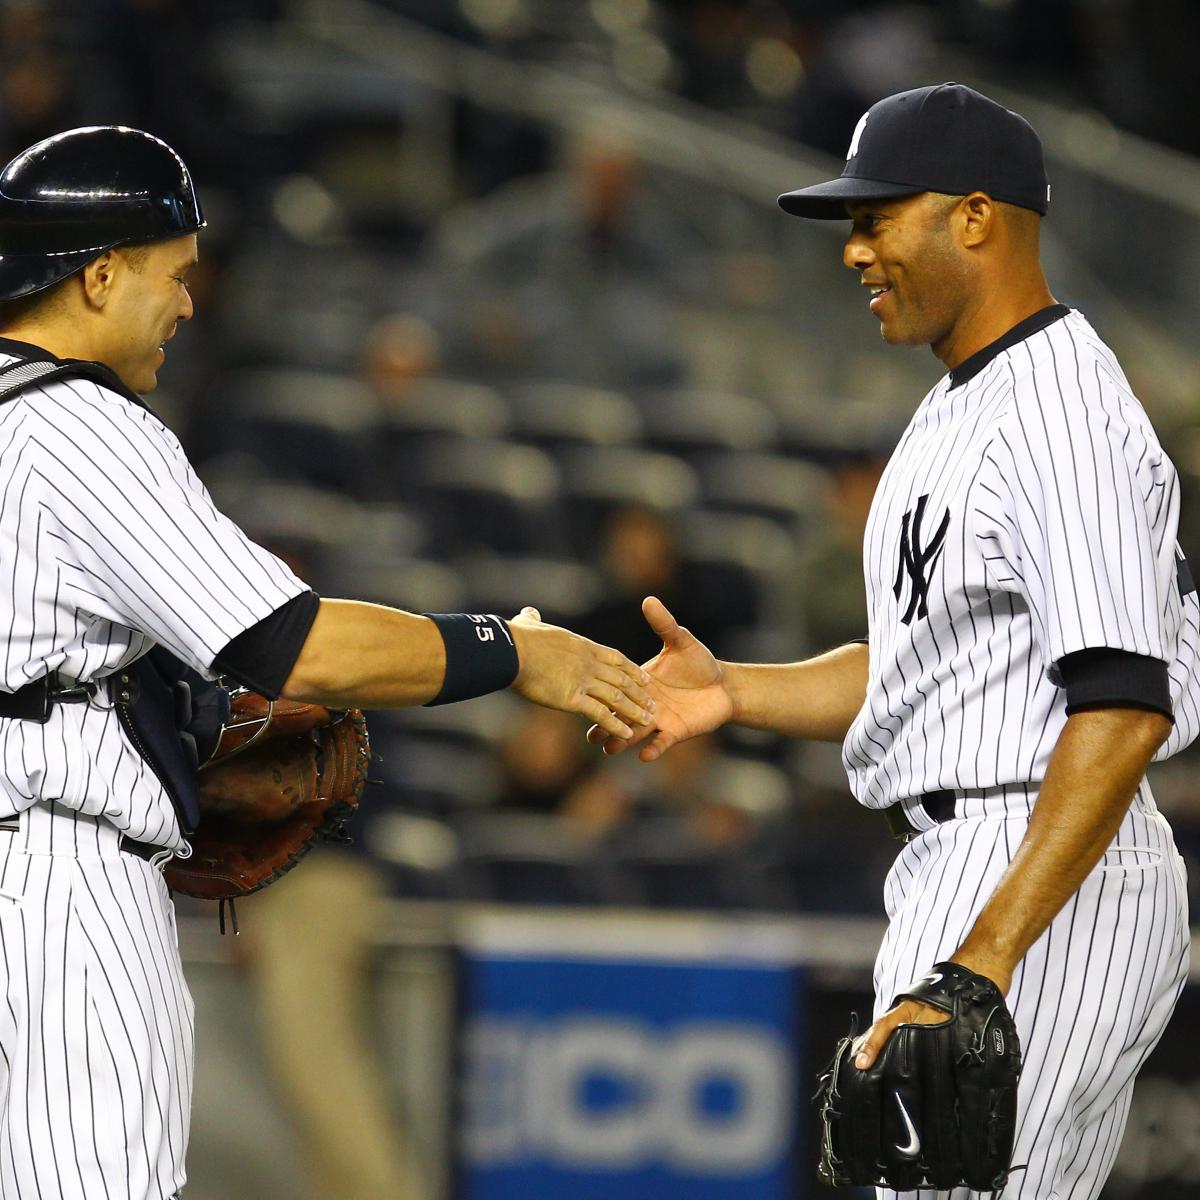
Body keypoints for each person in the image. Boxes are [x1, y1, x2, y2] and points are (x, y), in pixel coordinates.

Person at [0, 126, 653, 1200]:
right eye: (174, 275)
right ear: (99, 274)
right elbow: (291, 647)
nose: (189, 303)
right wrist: (514, 651)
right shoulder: (81, 426)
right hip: (52, 881)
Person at [593, 83, 1196, 1199]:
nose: (854, 250)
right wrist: (735, 690)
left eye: (877, 218)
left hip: (1038, 865)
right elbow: (940, 668)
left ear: (975, 217)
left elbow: (1122, 704)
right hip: (984, 860)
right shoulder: (967, 402)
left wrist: (984, 958)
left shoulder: (1062, 412)